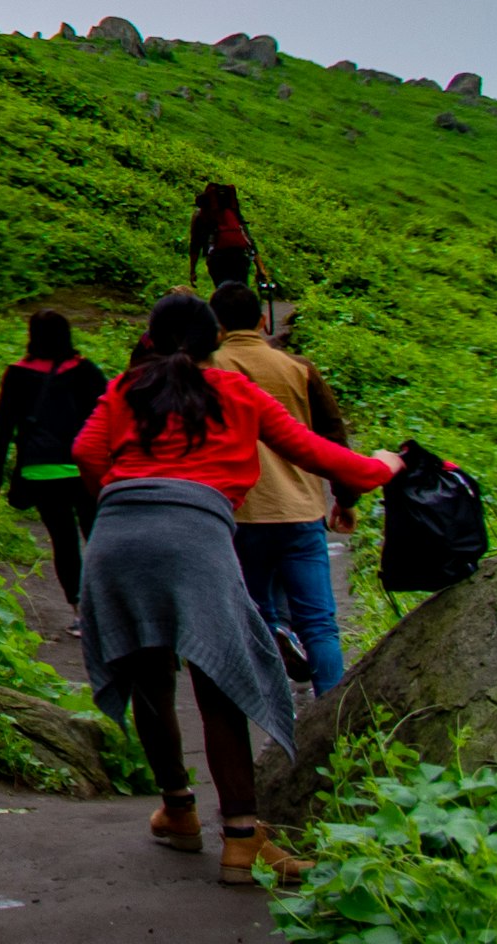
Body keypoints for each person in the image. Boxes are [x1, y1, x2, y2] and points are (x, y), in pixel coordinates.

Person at [74, 291, 397, 889]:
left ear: (149, 337)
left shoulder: (125, 389)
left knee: (150, 677)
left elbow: (86, 452)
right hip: (195, 536)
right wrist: (383, 466)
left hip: (119, 537)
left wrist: (124, 501)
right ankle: (243, 842)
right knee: (218, 680)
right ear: (215, 341)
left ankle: (178, 807)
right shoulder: (238, 393)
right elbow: (325, 457)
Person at [210, 283, 359, 692]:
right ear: (261, 320)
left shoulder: (206, 369)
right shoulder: (298, 368)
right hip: (300, 509)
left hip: (239, 514)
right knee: (320, 624)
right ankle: (333, 720)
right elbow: (332, 437)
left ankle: (273, 693)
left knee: (255, 615)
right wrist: (345, 499)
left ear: (216, 326)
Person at [0, 310, 108, 601]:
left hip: (40, 471)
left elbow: (3, 425)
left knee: (63, 542)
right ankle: (104, 602)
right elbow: (108, 415)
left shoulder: (17, 374)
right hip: (84, 469)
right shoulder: (85, 370)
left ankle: (78, 609)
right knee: (98, 537)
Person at [184, 183, 254, 290]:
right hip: (240, 256)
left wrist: (192, 270)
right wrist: (260, 267)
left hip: (217, 259)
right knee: (241, 290)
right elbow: (248, 238)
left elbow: (195, 245)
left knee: (223, 291)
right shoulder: (233, 211)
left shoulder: (200, 215)